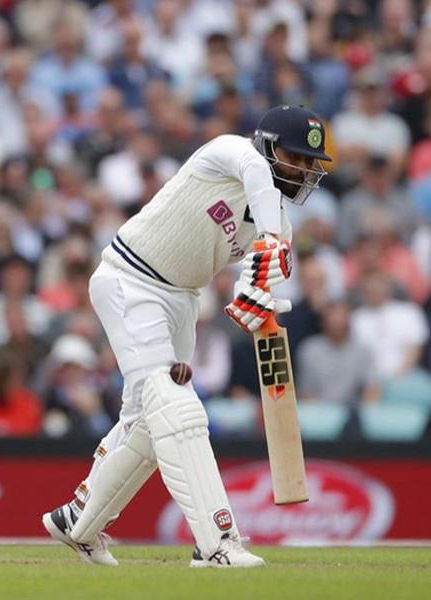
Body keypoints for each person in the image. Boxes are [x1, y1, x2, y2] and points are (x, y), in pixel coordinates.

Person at [42, 104, 332, 568]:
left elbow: (253, 283)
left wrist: (254, 298)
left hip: (182, 301)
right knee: (176, 410)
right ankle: (217, 542)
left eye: (308, 164)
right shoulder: (229, 152)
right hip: (130, 279)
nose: (303, 171)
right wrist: (272, 241)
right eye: (295, 158)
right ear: (268, 143)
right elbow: (255, 172)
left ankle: (79, 520)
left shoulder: (280, 223)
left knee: (147, 420)